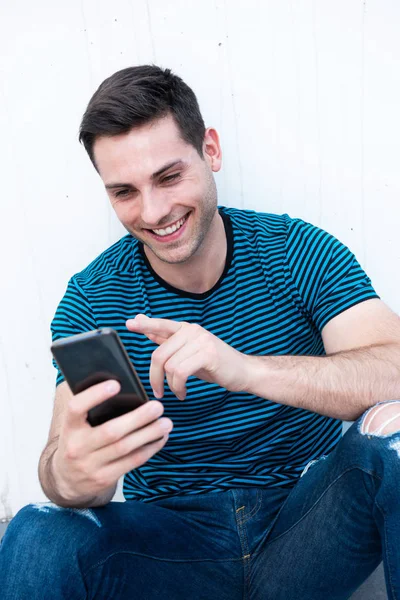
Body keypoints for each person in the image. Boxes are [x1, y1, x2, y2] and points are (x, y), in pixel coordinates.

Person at [1, 65, 400, 600]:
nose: (154, 211)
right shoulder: (97, 299)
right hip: (171, 550)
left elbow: (393, 367)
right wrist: (73, 478)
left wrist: (246, 369)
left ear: (210, 150)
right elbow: (61, 462)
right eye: (124, 191)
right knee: (37, 530)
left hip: (307, 526)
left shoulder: (294, 251)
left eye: (169, 177)